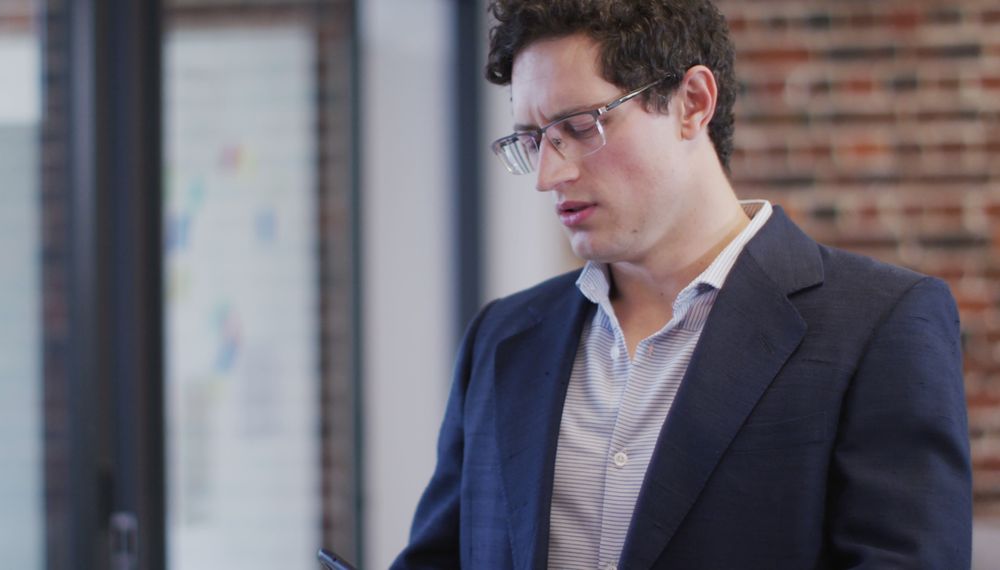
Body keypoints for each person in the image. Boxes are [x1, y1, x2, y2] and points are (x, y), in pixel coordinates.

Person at [392, 0, 972, 568]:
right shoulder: (503, 336)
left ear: (693, 103)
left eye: (577, 125)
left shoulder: (878, 324)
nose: (549, 174)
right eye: (532, 139)